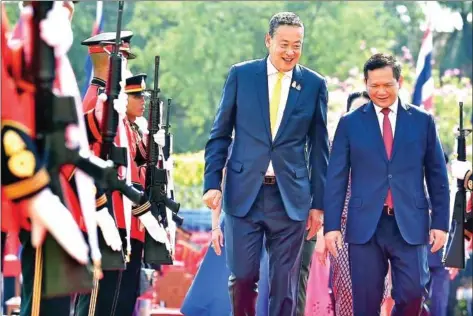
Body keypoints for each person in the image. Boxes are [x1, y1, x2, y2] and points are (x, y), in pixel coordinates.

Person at [202, 11, 329, 316]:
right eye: (284, 44)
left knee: (285, 283)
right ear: (268, 40)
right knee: (244, 277)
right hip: (244, 193)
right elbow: (219, 134)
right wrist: (211, 183)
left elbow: (320, 149)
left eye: (297, 45)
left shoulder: (314, 84)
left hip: (292, 199)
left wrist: (319, 204)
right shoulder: (241, 76)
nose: (290, 52)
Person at [324, 53, 450, 316]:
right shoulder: (350, 123)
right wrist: (332, 226)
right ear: (366, 83)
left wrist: (440, 223)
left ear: (399, 82)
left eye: (387, 85)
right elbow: (335, 177)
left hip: (410, 223)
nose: (380, 91)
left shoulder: (422, 120)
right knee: (366, 303)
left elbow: (437, 175)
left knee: (414, 294)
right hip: (365, 226)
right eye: (374, 85)